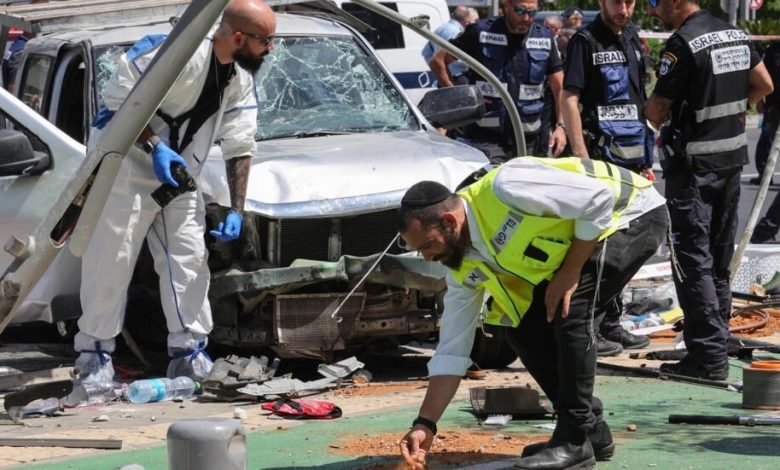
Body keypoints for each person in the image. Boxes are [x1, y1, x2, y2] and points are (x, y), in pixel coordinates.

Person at [396, 156, 667, 470]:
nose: (427, 258)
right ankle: (591, 431)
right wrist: (424, 424)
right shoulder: (460, 269)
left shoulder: (505, 187)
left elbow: (600, 199)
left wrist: (571, 271)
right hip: (591, 230)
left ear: (449, 221)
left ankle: (574, 440)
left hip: (631, 213)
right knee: (523, 326)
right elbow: (452, 349)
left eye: (427, 245)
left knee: (571, 308)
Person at [73, 0, 277, 386]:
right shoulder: (171, 53)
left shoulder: (239, 78)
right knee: (111, 260)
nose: (270, 49)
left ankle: (190, 355)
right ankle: (94, 358)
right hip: (124, 167)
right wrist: (156, 148)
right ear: (238, 37)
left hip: (178, 175)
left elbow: (240, 143)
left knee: (187, 257)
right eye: (266, 40)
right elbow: (121, 103)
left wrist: (237, 209)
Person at [644, 0, 773, 380]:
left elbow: (655, 111)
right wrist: (731, 113)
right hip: (732, 159)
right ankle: (720, 340)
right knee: (718, 256)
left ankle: (707, 358)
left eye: (655, 3)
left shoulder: (683, 43)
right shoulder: (734, 32)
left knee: (691, 260)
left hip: (694, 168)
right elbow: (764, 84)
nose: (653, 11)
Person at [561, 0, 654, 356]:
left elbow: (638, 100)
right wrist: (580, 154)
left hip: (631, 160)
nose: (624, 8)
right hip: (600, 160)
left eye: (630, 1)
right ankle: (591, 326)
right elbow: (570, 98)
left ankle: (612, 323)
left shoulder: (631, 35)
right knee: (597, 248)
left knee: (625, 246)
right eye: (617, 2)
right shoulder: (586, 41)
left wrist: (647, 157)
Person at [428, 0, 567, 161]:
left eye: (532, 12)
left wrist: (561, 127)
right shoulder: (481, 32)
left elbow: (560, 88)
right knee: (495, 183)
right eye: (520, 11)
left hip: (529, 138)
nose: (526, 18)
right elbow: (438, 61)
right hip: (487, 137)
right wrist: (457, 98)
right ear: (506, 6)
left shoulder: (544, 38)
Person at [422, 5, 478, 85]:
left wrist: (438, 70)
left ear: (452, 15)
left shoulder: (439, 29)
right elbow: (459, 58)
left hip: (442, 79)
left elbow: (426, 52)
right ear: (466, 20)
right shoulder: (458, 33)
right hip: (457, 79)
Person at [751, 41, 780, 185]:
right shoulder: (773, 50)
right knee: (767, 141)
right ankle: (764, 175)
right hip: (774, 105)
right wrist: (758, 100)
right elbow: (762, 76)